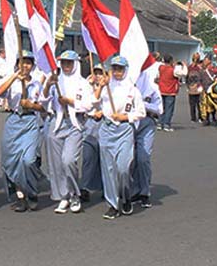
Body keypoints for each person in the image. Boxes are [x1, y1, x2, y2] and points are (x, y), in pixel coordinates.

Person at [95, 55, 146, 220]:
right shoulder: (106, 86)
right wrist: (100, 87)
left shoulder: (133, 90)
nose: (117, 72)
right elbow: (91, 103)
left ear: (125, 70)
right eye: (114, 68)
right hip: (106, 130)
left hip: (124, 130)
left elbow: (141, 112)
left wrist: (125, 117)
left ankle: (126, 195)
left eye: (120, 69)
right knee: (108, 169)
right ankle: (112, 204)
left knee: (123, 168)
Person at [43, 49, 93, 215]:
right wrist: (48, 86)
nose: (66, 66)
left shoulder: (83, 83)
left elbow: (88, 105)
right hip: (57, 123)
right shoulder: (56, 80)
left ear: (75, 64)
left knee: (68, 160)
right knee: (56, 163)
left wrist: (70, 101)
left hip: (74, 124)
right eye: (63, 62)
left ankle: (74, 195)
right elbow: (44, 101)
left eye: (69, 63)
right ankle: (64, 195)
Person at [0, 50, 45, 212]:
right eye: (22, 62)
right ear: (17, 64)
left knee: (29, 160)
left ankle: (31, 191)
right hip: (14, 120)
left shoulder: (37, 83)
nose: (25, 66)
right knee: (12, 160)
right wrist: (14, 78)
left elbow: (43, 106)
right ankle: (20, 196)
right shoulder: (12, 80)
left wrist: (32, 105)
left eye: (28, 63)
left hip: (30, 121)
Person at [131, 57, 162, 209]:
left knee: (143, 158)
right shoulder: (125, 85)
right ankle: (131, 190)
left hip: (146, 123)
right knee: (130, 160)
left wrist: (143, 104)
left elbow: (159, 109)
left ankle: (144, 192)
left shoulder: (152, 87)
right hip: (128, 124)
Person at [80, 62, 105, 203]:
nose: (98, 75)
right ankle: (85, 187)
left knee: (104, 158)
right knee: (88, 158)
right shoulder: (86, 86)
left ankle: (105, 187)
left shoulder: (109, 88)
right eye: (96, 72)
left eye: (100, 72)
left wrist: (102, 112)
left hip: (103, 123)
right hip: (89, 123)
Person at [157, 55, 180, 132]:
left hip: (161, 90)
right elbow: (184, 73)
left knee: (161, 108)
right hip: (170, 91)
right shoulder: (173, 70)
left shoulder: (161, 68)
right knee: (169, 109)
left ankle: (160, 124)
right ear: (171, 61)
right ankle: (166, 124)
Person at [186, 55, 203, 123]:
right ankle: (197, 117)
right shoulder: (198, 68)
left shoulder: (190, 67)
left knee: (195, 103)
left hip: (193, 87)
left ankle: (195, 118)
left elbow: (187, 78)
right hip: (195, 87)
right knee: (197, 103)